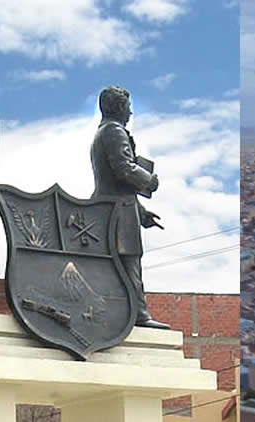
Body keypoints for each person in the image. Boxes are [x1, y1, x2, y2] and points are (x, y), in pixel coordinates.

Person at [90, 86, 170, 329]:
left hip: (116, 206)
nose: (131, 112)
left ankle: (128, 313)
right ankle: (139, 314)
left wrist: (142, 213)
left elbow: (117, 181)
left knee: (119, 264)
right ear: (117, 107)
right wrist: (149, 180)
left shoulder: (103, 133)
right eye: (127, 106)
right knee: (129, 262)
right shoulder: (114, 131)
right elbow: (124, 169)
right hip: (118, 211)